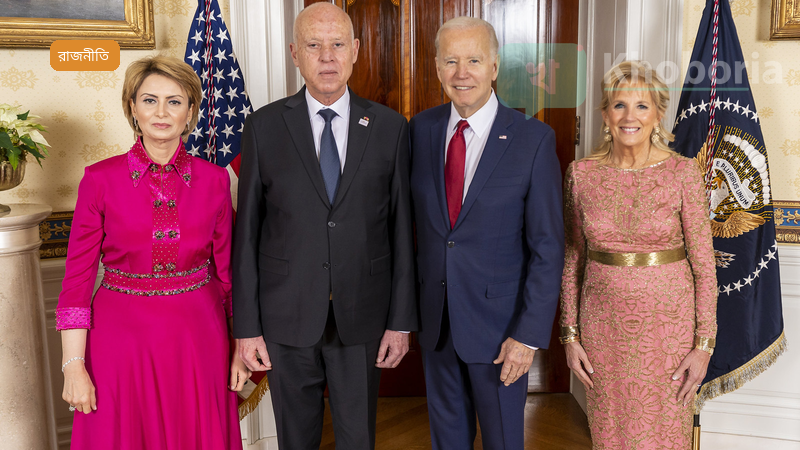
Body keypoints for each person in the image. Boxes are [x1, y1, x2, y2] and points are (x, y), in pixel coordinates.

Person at [231, 3, 417, 449]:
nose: (328, 57)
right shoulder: (263, 127)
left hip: (363, 315)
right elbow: (247, 235)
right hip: (286, 316)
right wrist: (246, 328)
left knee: (358, 439)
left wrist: (401, 322)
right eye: (314, 45)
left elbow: (402, 233)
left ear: (356, 50)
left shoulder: (391, 127)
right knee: (296, 440)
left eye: (337, 45)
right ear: (295, 53)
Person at [55, 55, 247, 449]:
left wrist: (240, 349)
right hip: (119, 343)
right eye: (149, 100)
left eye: (174, 101)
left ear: (190, 112)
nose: (161, 112)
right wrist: (73, 366)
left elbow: (230, 277)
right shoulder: (98, 180)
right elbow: (76, 282)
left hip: (199, 340)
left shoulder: (214, 181)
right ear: (132, 107)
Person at [410, 17, 565, 449]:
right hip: (437, 326)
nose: (462, 73)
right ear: (437, 68)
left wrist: (527, 336)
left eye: (474, 60)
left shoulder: (533, 139)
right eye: (451, 61)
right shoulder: (419, 130)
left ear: (494, 67)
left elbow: (548, 248)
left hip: (502, 334)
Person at [559, 60, 717, 449]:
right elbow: (573, 260)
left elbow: (704, 266)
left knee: (665, 433)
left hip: (670, 332)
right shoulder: (580, 175)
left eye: (642, 106)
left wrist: (703, 345)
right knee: (610, 433)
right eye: (619, 105)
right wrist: (570, 336)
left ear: (658, 114)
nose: (630, 117)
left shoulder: (683, 173)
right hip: (603, 330)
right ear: (605, 115)